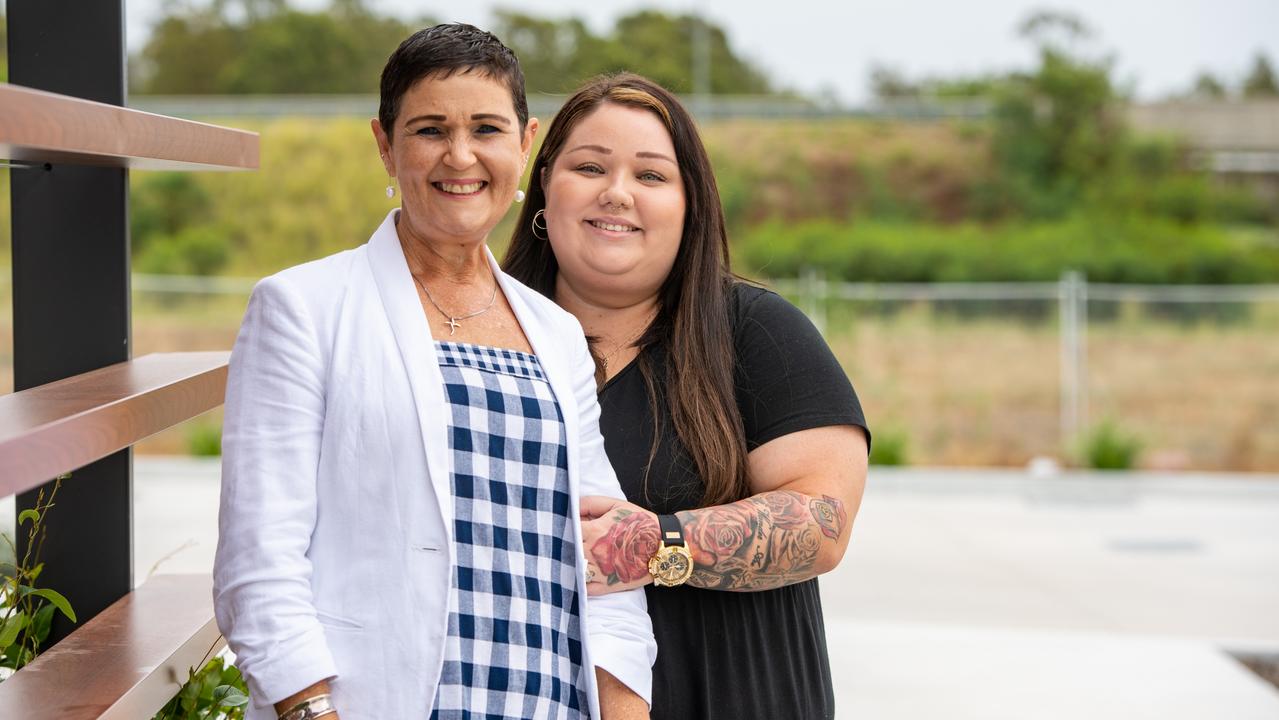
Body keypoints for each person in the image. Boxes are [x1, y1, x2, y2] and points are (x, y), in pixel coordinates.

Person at [213, 27, 655, 720]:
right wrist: (310, 710)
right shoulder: (303, 309)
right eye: (429, 130)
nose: (460, 155)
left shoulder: (556, 333)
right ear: (385, 145)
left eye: (486, 128)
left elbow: (605, 552)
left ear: (524, 143)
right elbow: (259, 562)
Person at [503, 73, 870, 720]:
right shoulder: (482, 339)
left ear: (688, 207)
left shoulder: (754, 333)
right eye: (589, 167)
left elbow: (822, 523)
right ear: (542, 192)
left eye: (650, 176)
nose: (616, 193)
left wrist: (659, 544)